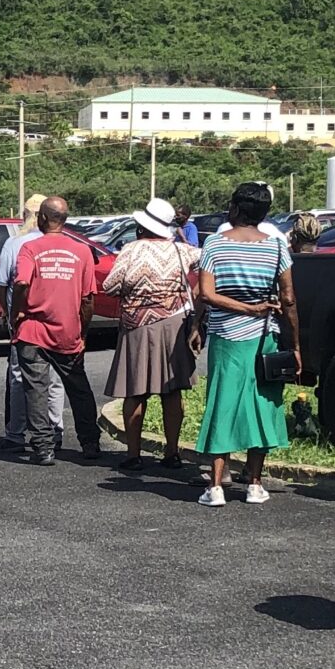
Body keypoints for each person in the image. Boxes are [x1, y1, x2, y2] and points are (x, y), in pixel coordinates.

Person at [194, 184, 297, 502]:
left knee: (222, 404)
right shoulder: (278, 247)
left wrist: (197, 324)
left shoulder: (213, 244)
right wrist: (295, 346)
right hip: (264, 338)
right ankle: (254, 483)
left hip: (226, 337)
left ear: (236, 209)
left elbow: (206, 294)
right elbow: (289, 299)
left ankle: (214, 486)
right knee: (260, 407)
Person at [103, 198, 197, 471]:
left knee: (135, 391)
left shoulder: (131, 251)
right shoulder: (182, 251)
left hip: (137, 328)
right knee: (172, 391)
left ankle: (133, 454)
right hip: (174, 325)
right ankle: (172, 452)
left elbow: (110, 285)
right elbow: (205, 268)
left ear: (142, 226)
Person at [11, 196, 101, 465]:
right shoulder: (82, 251)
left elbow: (22, 282)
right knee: (79, 388)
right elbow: (88, 299)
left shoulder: (30, 249)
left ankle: (43, 447)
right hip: (68, 331)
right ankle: (90, 443)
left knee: (36, 390)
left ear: (41, 219)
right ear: (64, 220)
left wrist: (17, 312)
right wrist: (83, 332)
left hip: (33, 330)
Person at [0, 194, 63, 449]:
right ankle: (54, 429)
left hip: (24, 322)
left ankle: (17, 432)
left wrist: (8, 310)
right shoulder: (62, 244)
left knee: (20, 376)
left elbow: (2, 284)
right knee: (54, 379)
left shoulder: (15, 244)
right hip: (58, 322)